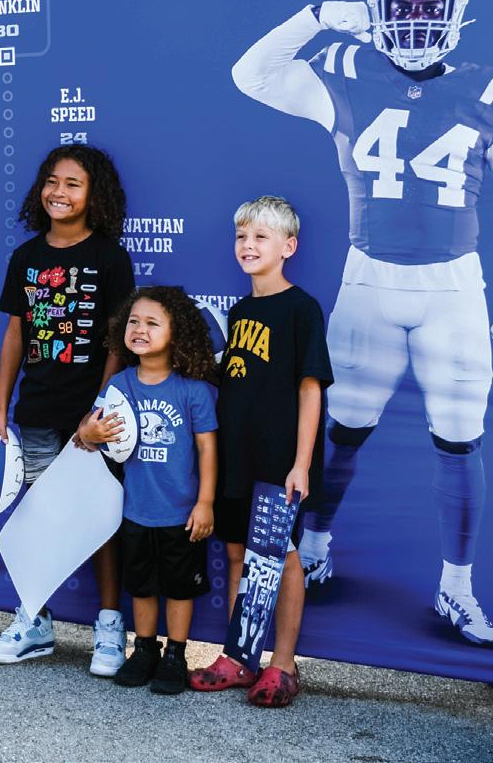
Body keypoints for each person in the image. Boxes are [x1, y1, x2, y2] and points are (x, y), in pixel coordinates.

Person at [230, 0, 493, 648]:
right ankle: (314, 547)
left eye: (427, 6)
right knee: (341, 429)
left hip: (452, 288)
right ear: (375, 11)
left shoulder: (491, 91)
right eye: (401, 7)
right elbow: (249, 74)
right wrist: (317, 15)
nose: (414, 22)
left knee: (459, 439)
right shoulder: (347, 75)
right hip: (368, 281)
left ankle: (456, 586)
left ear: (456, 13)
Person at [0, 144, 135, 674]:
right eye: (51, 181)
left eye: (72, 183)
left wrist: (99, 408)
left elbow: (117, 342)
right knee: (42, 515)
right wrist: (0, 410)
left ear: (95, 195)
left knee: (100, 519)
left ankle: (110, 627)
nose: (58, 192)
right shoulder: (26, 258)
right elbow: (15, 334)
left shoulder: (109, 258)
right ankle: (34, 621)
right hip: (39, 411)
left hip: (94, 418)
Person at [190, 196, 332, 708]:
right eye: (241, 237)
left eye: (260, 237)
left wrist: (301, 464)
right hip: (237, 454)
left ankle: (284, 664)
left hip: (280, 460)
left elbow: (310, 389)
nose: (248, 245)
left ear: (288, 247)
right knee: (236, 551)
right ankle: (240, 656)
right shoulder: (241, 311)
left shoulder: (301, 309)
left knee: (282, 556)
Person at [78, 286, 218, 695]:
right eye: (134, 321)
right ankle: (144, 649)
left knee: (179, 587)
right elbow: (89, 429)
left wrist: (205, 502)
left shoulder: (192, 389)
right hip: (135, 509)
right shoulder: (120, 385)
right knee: (140, 585)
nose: (140, 329)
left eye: (153, 323)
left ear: (177, 333)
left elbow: (208, 448)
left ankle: (175, 654)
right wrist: (88, 432)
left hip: (181, 513)